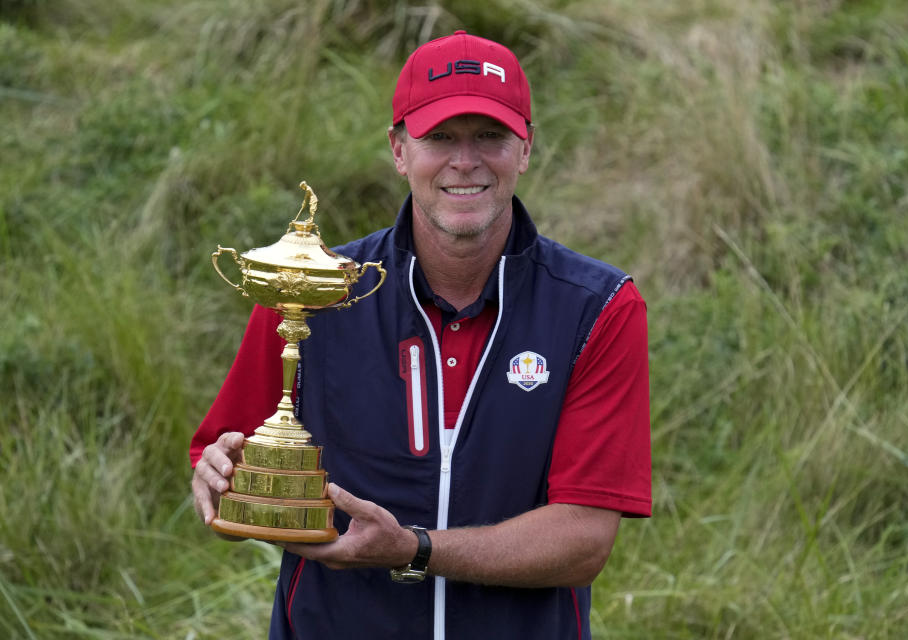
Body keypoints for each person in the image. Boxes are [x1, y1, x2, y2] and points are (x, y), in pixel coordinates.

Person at [190, 30, 651, 640]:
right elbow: (229, 455)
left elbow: (585, 539)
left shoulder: (599, 308)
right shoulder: (313, 290)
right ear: (399, 149)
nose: (466, 160)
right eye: (439, 137)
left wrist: (414, 548)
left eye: (490, 136)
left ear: (526, 148)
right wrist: (220, 471)